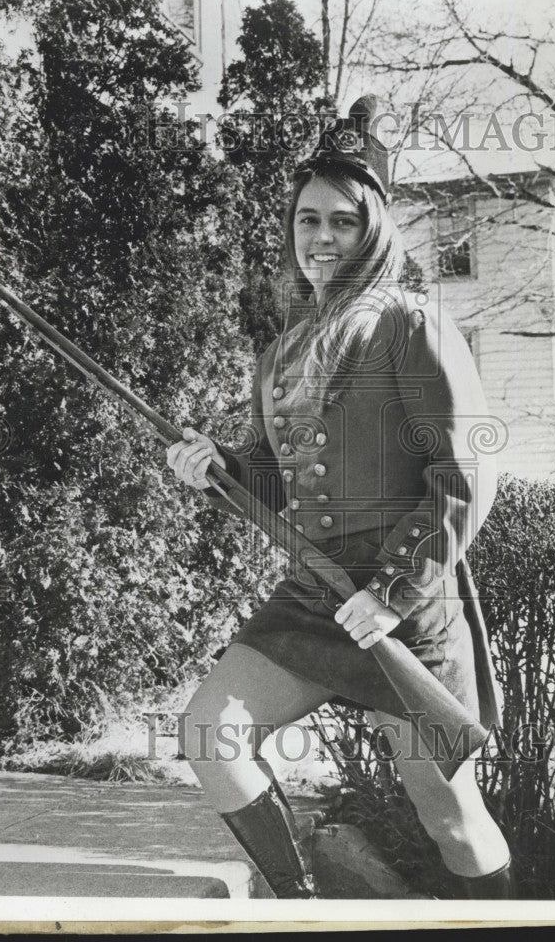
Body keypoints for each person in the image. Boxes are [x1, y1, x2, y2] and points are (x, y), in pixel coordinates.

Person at [165, 96, 512, 899]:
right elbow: (272, 475)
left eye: (344, 222)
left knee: (447, 808)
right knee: (210, 733)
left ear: (377, 227)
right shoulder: (283, 350)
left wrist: (393, 592)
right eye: (307, 220)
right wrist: (215, 465)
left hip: (406, 600)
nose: (322, 239)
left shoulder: (415, 325)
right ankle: (300, 908)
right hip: (316, 588)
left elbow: (467, 472)